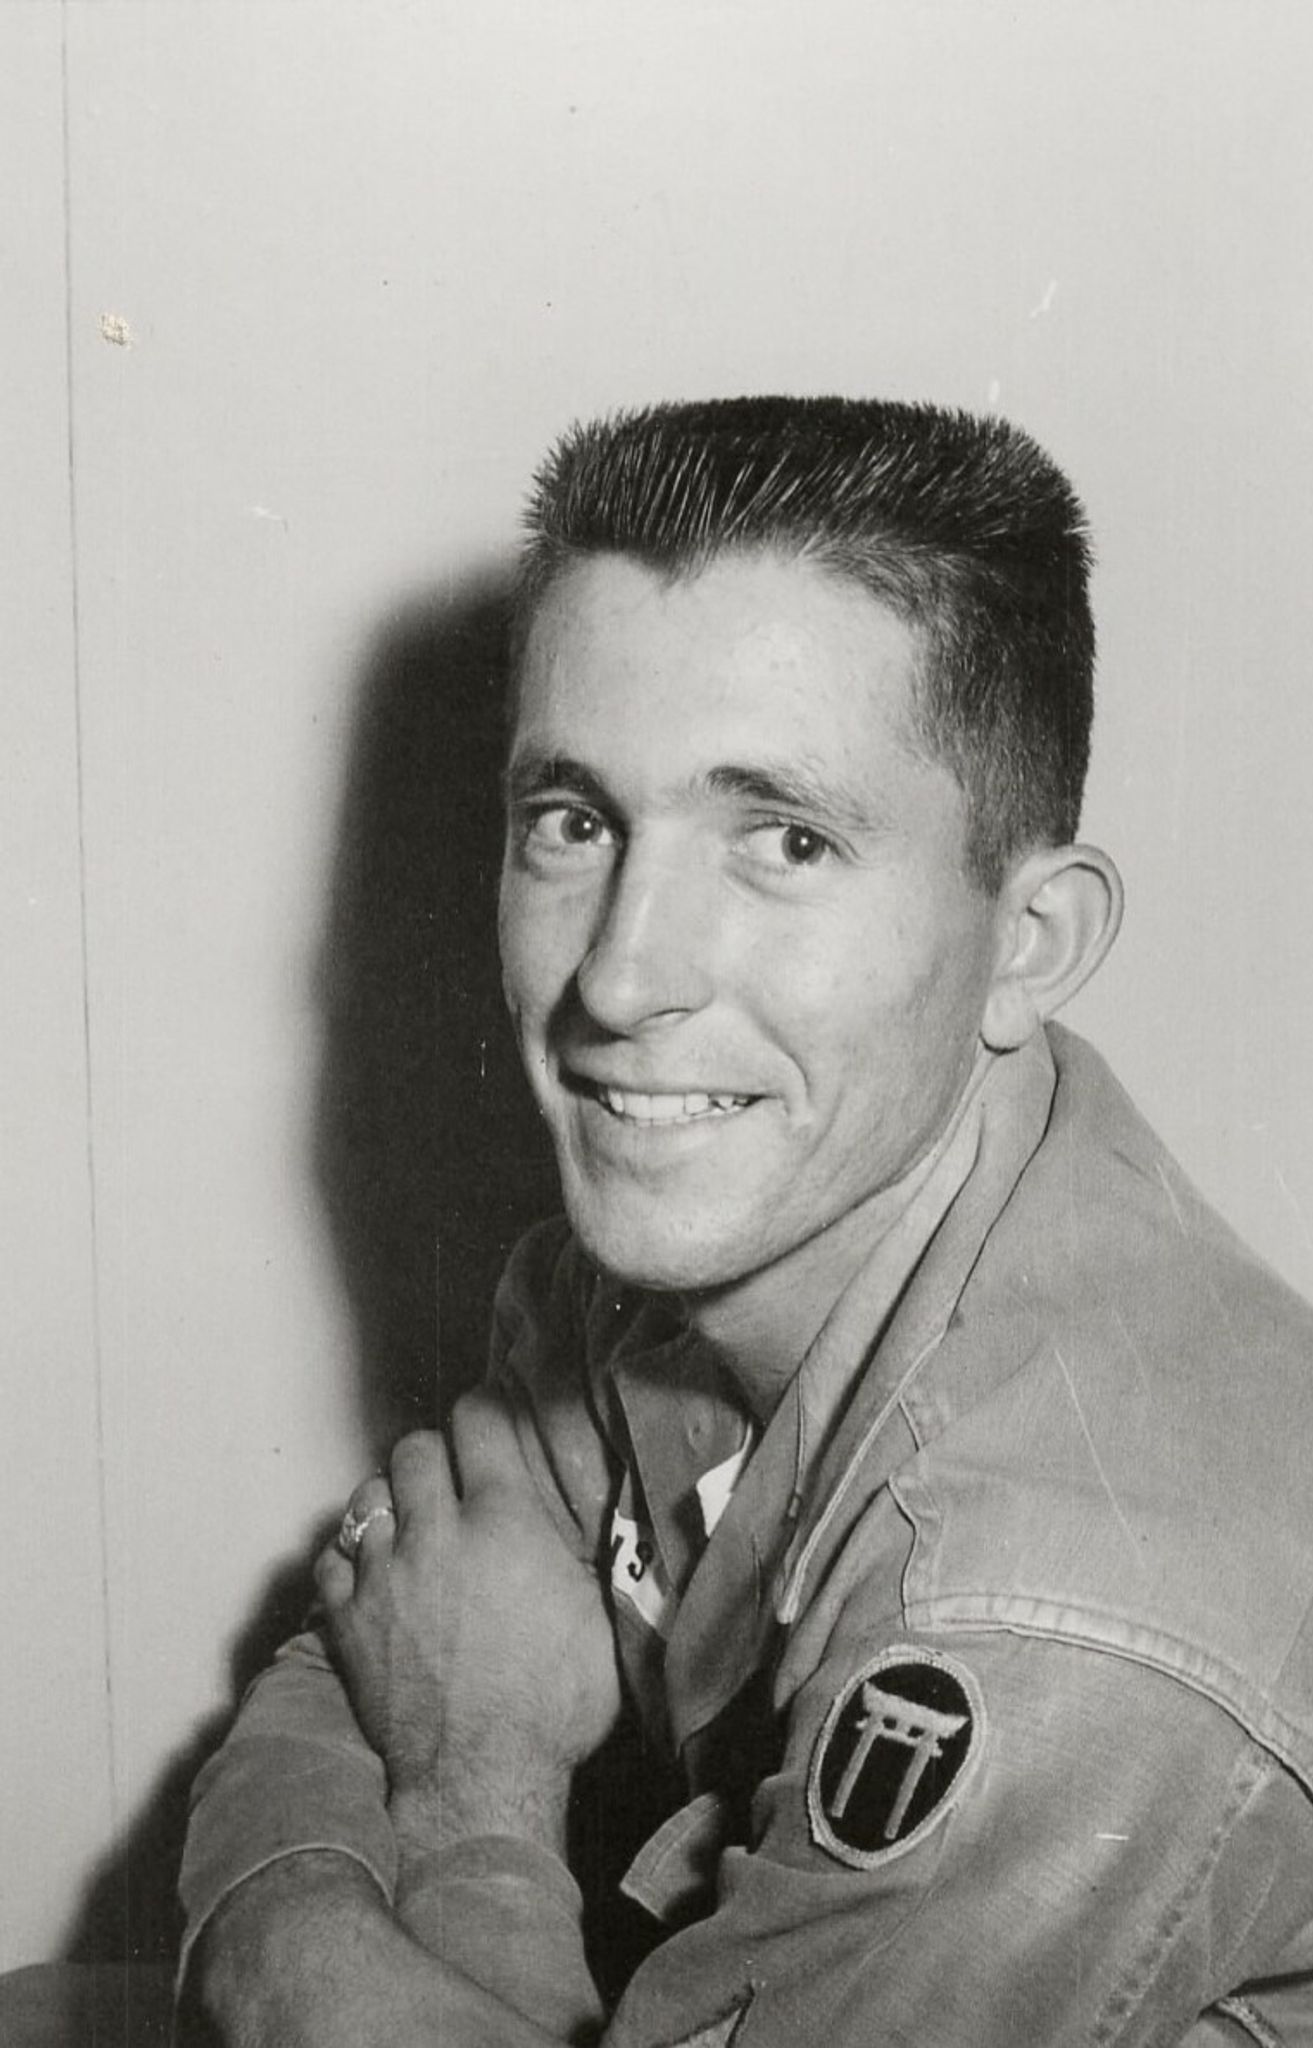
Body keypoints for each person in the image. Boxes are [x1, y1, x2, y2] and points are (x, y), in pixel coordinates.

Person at [179, 398, 1313, 2046]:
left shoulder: (1051, 1631)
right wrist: (282, 1930)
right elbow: (380, 1635)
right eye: (574, 823)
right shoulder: (704, 1229)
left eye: (784, 840)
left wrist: (478, 1790)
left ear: (1028, 942)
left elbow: (442, 1695)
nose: (621, 978)